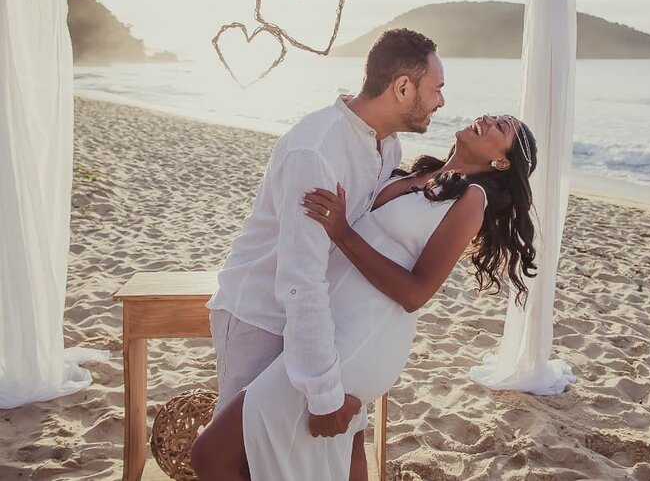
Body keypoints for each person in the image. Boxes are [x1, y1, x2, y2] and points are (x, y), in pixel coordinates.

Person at [193, 111, 538, 481]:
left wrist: (342, 232)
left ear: (501, 161)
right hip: (328, 325)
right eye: (495, 116)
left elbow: (416, 292)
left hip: (363, 338)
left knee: (210, 454)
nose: (487, 119)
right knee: (338, 458)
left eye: (501, 127)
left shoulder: (472, 199)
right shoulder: (415, 171)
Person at [192, 28, 445, 481]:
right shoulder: (317, 148)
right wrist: (325, 395)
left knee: (314, 459)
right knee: (243, 459)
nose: (441, 101)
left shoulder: (387, 144)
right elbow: (300, 277)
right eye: (436, 88)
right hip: (261, 316)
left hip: (316, 322)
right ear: (402, 88)